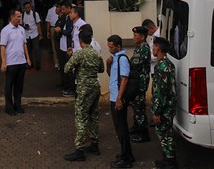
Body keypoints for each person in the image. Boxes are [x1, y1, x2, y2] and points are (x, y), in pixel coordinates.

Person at [63, 28, 104, 162]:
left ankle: (79, 149)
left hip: (83, 89)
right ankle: (94, 145)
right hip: (95, 87)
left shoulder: (79, 54)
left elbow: (66, 68)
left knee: (81, 117)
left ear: (80, 41)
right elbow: (101, 69)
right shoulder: (96, 54)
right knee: (93, 115)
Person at [107, 34, 135, 168]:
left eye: (111, 47)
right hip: (113, 97)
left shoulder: (122, 59)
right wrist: (108, 65)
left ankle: (126, 158)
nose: (109, 49)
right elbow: (111, 75)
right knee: (119, 127)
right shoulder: (115, 58)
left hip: (118, 98)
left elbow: (125, 79)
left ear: (118, 46)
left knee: (121, 128)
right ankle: (126, 153)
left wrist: (119, 99)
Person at [152, 37, 178, 169]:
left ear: (159, 48)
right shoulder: (169, 64)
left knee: (164, 134)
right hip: (169, 106)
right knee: (166, 133)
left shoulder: (161, 66)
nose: (153, 48)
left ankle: (170, 162)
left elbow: (161, 92)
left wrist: (157, 112)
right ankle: (167, 159)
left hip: (164, 107)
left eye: (155, 46)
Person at [0, 9, 31, 116]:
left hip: (21, 61)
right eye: (18, 17)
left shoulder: (22, 29)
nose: (20, 19)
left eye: (20, 17)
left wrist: (28, 58)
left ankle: (17, 105)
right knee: (8, 86)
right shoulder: (5, 30)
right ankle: (9, 107)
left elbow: (24, 44)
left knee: (19, 86)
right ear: (12, 17)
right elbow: (2, 47)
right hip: (11, 63)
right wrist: (4, 62)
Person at [129, 26, 151, 143]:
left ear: (142, 37)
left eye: (135, 35)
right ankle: (137, 126)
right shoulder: (139, 47)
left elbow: (135, 65)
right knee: (135, 104)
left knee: (139, 107)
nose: (133, 37)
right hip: (137, 81)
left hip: (140, 82)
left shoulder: (144, 49)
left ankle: (144, 133)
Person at [21, 1, 42, 70]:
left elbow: (38, 24)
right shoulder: (22, 15)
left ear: (31, 7)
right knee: (28, 50)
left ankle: (38, 64)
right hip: (26, 35)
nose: (27, 9)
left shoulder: (35, 14)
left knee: (36, 49)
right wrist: (24, 26)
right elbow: (21, 24)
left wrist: (40, 34)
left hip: (34, 34)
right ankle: (30, 63)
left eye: (29, 7)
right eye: (26, 8)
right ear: (24, 8)